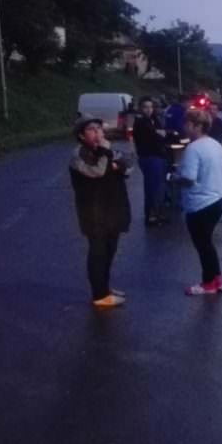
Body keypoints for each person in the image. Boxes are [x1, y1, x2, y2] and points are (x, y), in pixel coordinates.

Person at [69, 115, 132, 309]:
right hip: (94, 212)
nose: (97, 133)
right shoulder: (79, 154)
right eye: (91, 129)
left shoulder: (106, 150)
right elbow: (96, 172)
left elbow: (127, 166)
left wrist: (116, 164)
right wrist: (107, 158)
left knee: (110, 251)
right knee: (98, 253)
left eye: (99, 128)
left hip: (113, 208)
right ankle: (99, 294)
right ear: (81, 135)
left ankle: (105, 287)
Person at [174, 109, 222, 296]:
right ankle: (218, 279)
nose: (184, 127)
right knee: (208, 243)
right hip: (217, 200)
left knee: (203, 245)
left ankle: (208, 283)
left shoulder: (193, 148)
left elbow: (188, 178)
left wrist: (173, 177)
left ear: (197, 126)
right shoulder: (215, 145)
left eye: (187, 124)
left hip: (200, 204)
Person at [132, 96, 168, 225]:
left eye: (150, 107)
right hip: (149, 157)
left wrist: (161, 133)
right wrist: (159, 133)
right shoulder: (141, 121)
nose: (148, 110)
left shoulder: (153, 119)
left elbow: (162, 133)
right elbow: (154, 135)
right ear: (141, 108)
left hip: (158, 156)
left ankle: (158, 213)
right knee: (152, 187)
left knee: (159, 186)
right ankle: (151, 215)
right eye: (145, 107)